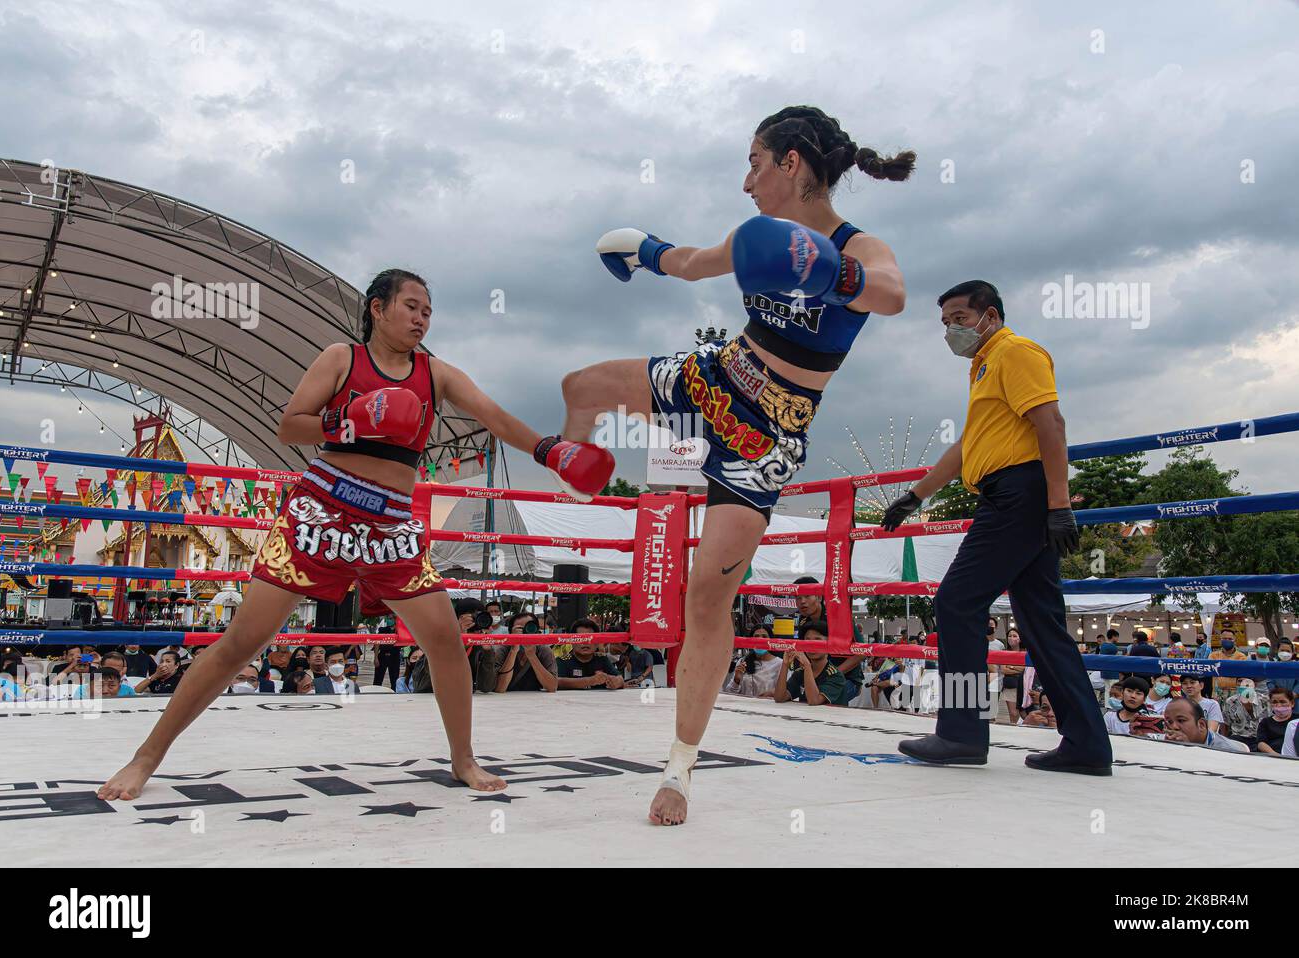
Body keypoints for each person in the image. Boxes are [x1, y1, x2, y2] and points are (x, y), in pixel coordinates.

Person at [98, 268, 612, 802]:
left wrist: (550, 451)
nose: (421, 318)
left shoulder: (436, 374)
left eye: (428, 311)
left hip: (390, 524)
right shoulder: (342, 359)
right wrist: (351, 419)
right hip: (322, 512)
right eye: (412, 306)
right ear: (377, 308)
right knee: (241, 644)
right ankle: (145, 757)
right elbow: (290, 424)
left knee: (445, 640)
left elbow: (495, 416)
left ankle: (464, 759)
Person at [563, 105, 912, 824]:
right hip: (715, 381)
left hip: (768, 435)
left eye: (755, 161)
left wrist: (830, 271)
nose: (746, 179)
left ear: (790, 163)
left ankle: (680, 771)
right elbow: (693, 263)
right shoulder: (755, 236)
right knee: (582, 388)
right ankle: (582, 475)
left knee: (705, 597)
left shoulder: (859, 243)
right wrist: (642, 248)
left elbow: (893, 294)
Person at [883, 280, 1111, 775]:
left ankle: (961, 733)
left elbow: (1052, 424)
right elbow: (969, 445)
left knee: (957, 601)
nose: (951, 330)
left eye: (959, 318)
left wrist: (1058, 504)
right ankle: (1088, 744)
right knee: (1039, 623)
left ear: (990, 314)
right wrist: (914, 496)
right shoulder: (983, 366)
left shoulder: (1016, 352)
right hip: (1014, 495)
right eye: (944, 323)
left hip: (1019, 495)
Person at [773, 621, 852, 706]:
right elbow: (779, 698)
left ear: (829, 644)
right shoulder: (800, 673)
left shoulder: (836, 675)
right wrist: (785, 664)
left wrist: (807, 665)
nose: (812, 645)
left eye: (817, 640)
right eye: (808, 641)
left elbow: (814, 701)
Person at [1163, 698, 1249, 753]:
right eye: (1169, 722)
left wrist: (1187, 750)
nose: (1174, 727)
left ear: (1201, 725)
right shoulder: (1162, 742)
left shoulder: (1227, 752)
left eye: (1181, 720)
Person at [1221, 678, 1268, 749]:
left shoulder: (1264, 700)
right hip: (1238, 738)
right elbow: (1225, 723)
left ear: (1254, 685)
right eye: (1240, 681)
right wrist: (1224, 741)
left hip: (1259, 739)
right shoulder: (1230, 701)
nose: (1242, 684)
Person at [1256, 687, 1294, 755]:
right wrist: (1275, 755)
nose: (1279, 705)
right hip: (1272, 757)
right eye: (1274, 702)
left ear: (1292, 703)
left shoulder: (1296, 720)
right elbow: (1261, 743)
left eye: (1283, 702)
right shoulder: (1265, 722)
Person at [1001, 628, 1025, 723]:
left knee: (1022, 713)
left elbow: (1025, 669)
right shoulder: (1004, 652)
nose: (1011, 638)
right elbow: (1004, 670)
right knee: (1013, 713)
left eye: (1014, 636)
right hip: (1010, 686)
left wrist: (1011, 667)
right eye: (1010, 636)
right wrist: (1018, 668)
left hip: (1023, 687)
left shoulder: (1025, 652)